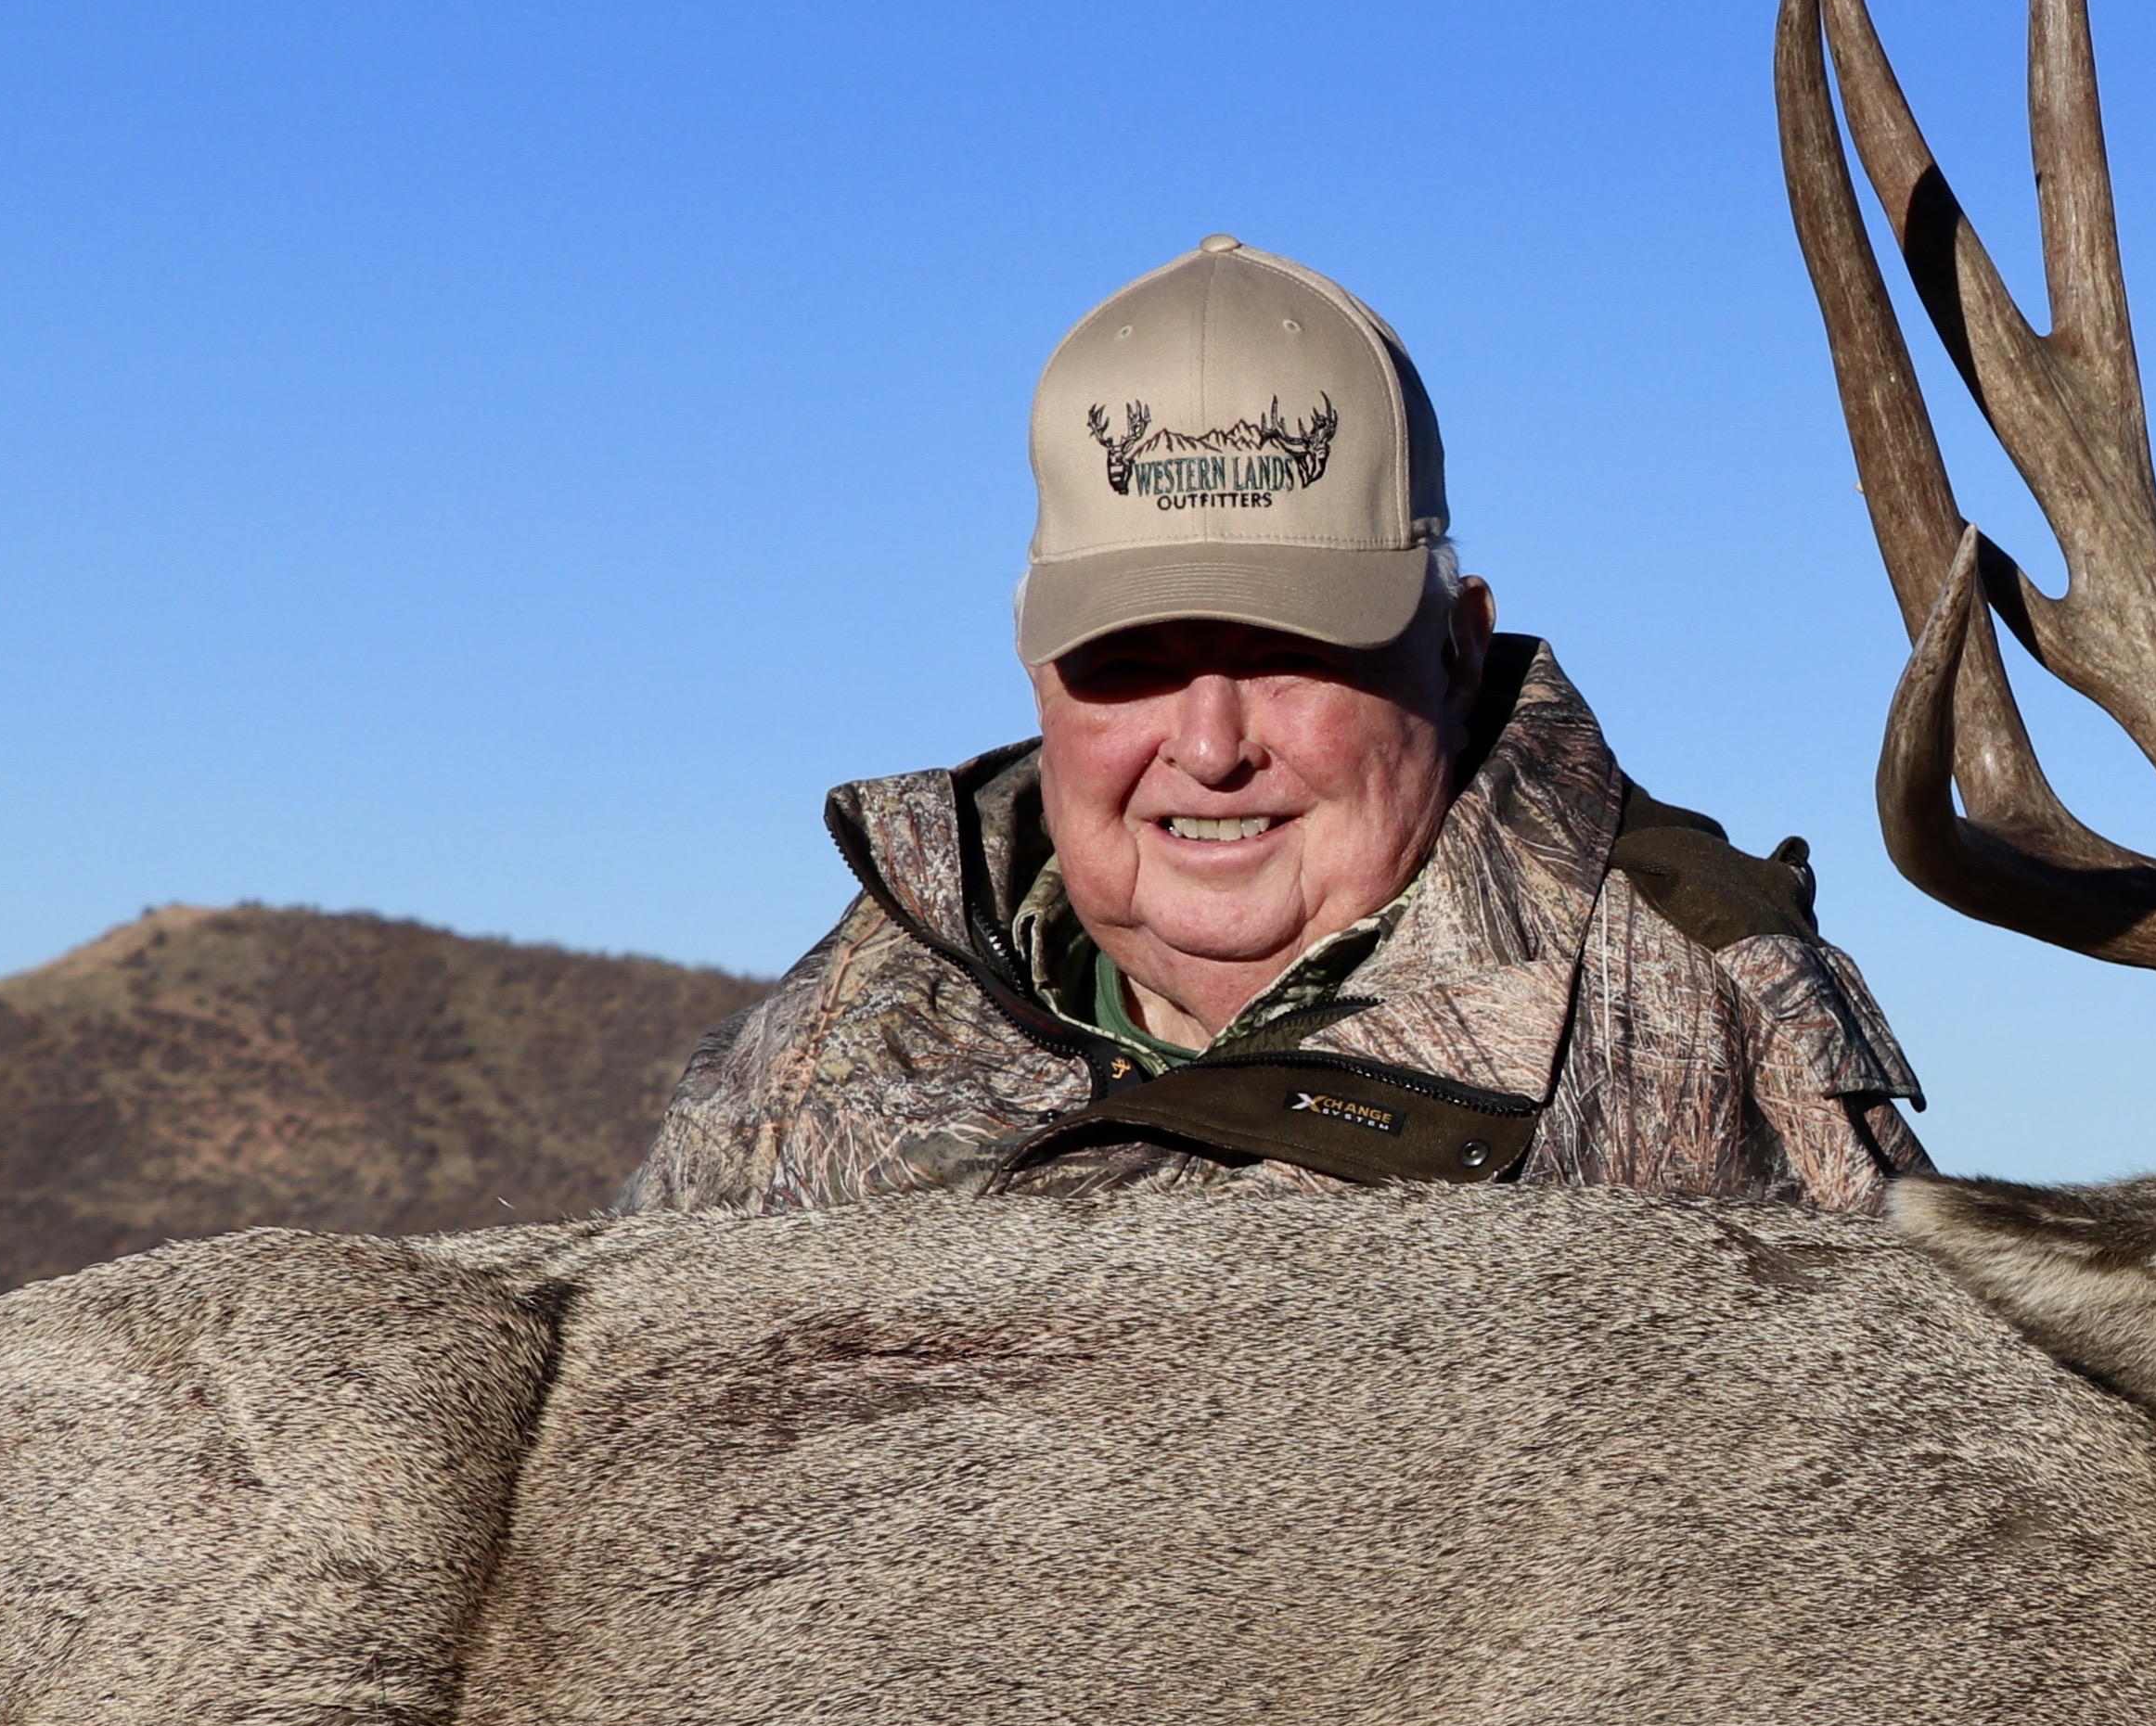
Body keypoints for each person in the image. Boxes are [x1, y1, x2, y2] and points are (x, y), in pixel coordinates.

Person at [622, 236, 1931, 1216]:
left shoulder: (1703, 1015)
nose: (1206, 745)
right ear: (1037, 674)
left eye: (1292, 652)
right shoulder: (828, 1043)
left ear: (1457, 646)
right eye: (1127, 659)